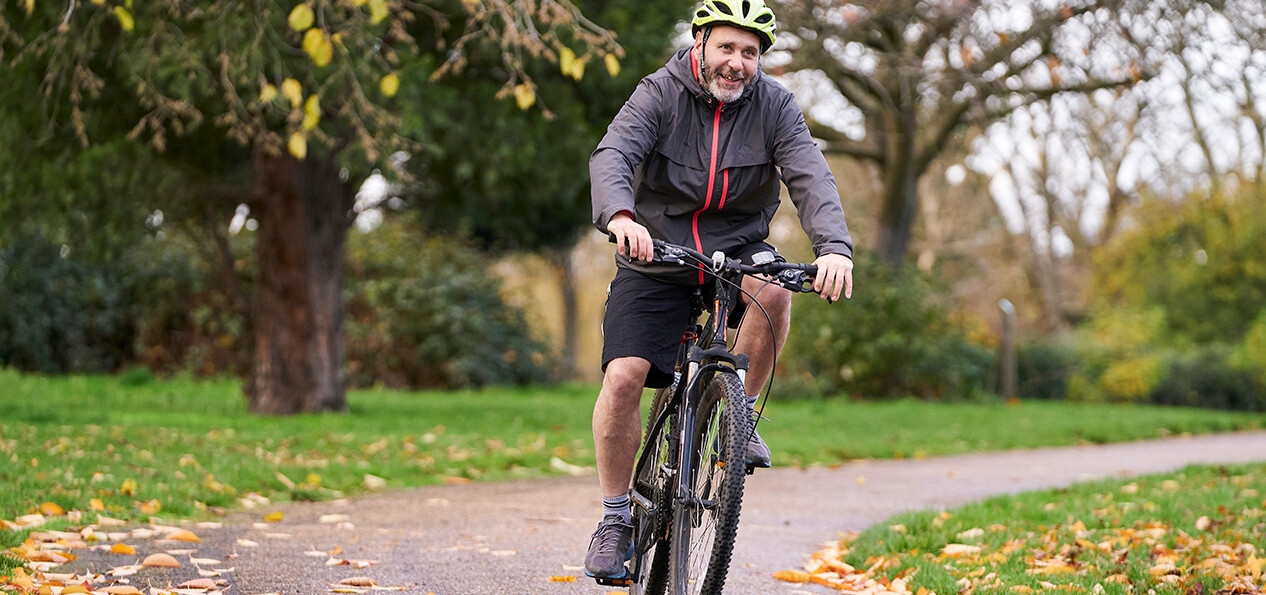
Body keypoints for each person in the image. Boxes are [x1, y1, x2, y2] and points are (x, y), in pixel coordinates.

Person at [583, 0, 855, 581]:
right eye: (726, 47)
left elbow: (811, 174)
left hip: (736, 248)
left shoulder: (775, 106)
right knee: (626, 375)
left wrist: (834, 248)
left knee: (774, 289)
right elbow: (614, 154)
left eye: (750, 53)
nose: (737, 63)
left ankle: (742, 420)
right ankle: (614, 517)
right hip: (655, 250)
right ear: (700, 43)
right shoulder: (658, 92)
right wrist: (623, 217)